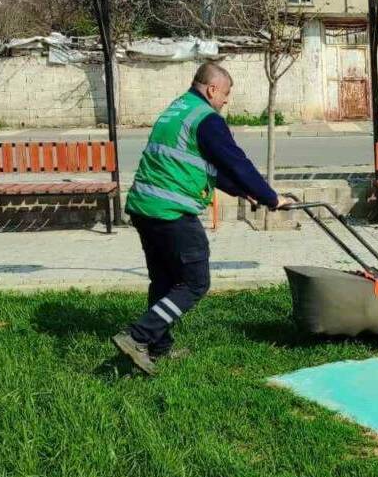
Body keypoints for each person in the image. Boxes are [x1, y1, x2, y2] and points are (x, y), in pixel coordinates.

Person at [112, 62, 290, 374]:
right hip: (171, 211)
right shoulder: (207, 119)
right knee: (195, 283)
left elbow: (197, 163)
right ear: (211, 90)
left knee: (165, 281)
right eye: (226, 94)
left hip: (145, 207)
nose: (226, 101)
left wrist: (240, 191)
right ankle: (136, 336)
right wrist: (271, 197)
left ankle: (158, 347)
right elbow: (236, 162)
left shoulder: (177, 109)